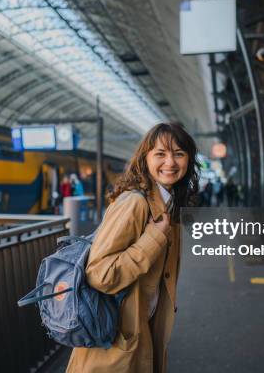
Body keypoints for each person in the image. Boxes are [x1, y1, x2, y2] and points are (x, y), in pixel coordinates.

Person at [66, 122, 199, 373]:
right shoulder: (135, 203)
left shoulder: (169, 204)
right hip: (113, 344)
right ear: (145, 159)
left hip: (140, 334)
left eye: (178, 154)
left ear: (189, 160)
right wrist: (152, 240)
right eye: (160, 154)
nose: (170, 162)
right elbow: (99, 274)